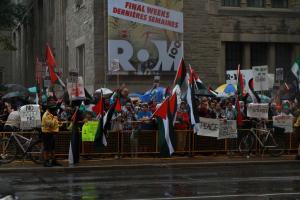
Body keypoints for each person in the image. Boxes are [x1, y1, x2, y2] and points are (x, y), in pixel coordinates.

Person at [41, 97, 61, 167]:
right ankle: (46, 162)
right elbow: (51, 124)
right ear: (50, 109)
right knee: (47, 149)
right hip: (47, 134)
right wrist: (55, 118)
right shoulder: (46, 116)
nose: (55, 110)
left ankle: (53, 160)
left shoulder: (52, 115)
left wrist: (57, 121)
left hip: (52, 133)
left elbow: (57, 123)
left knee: (52, 148)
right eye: (53, 109)